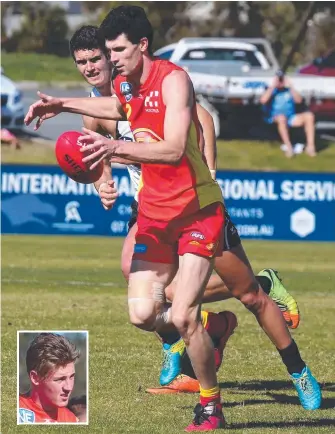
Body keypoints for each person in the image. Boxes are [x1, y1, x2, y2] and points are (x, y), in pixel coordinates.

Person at [25, 6, 321, 428]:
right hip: (155, 213)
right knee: (142, 311)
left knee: (246, 296)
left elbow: (175, 147)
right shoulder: (122, 88)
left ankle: (293, 373)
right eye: (100, 55)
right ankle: (211, 330)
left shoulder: (174, 80)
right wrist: (61, 105)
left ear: (141, 45)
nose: (108, 61)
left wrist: (121, 151)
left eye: (115, 51)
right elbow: (115, 110)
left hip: (198, 209)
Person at [69, 25, 301, 395]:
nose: (91, 67)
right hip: (147, 204)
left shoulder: (144, 87)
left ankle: (258, 291)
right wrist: (102, 184)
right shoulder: (93, 109)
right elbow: (100, 159)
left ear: (113, 55)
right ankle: (179, 344)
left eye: (97, 58)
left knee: (242, 293)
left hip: (191, 201)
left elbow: (203, 119)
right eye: (82, 62)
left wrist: (208, 167)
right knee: (139, 281)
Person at [19, 333, 79, 424]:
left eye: (72, 377)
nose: (68, 387)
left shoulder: (72, 420)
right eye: (60, 379)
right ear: (35, 378)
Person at [260, 70, 317, 158]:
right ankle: (289, 147)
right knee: (282, 118)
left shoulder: (288, 91)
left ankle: (310, 146)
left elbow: (299, 100)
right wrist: (273, 86)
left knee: (309, 116)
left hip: (290, 117)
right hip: (275, 117)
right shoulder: (272, 90)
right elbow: (263, 100)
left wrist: (290, 86)